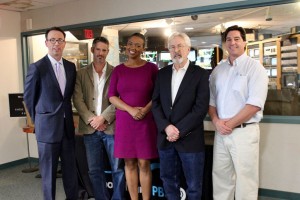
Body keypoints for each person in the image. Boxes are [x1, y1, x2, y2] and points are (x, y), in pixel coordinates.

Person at [208, 25, 268, 200]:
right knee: (221, 178)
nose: (232, 43)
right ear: (224, 44)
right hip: (221, 132)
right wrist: (217, 122)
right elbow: (211, 103)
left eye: (236, 39)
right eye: (228, 39)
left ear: (244, 42)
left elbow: (255, 104)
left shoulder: (255, 68)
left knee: (246, 180)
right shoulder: (218, 70)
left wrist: (229, 124)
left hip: (244, 132)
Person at [152, 32, 210, 200]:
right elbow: (155, 104)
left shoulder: (200, 74)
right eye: (172, 47)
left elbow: (200, 109)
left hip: (190, 140)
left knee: (193, 186)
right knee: (168, 181)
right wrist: (167, 127)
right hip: (166, 138)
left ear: (188, 49)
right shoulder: (161, 74)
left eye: (179, 46)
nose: (176, 50)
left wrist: (177, 130)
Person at [23, 27, 78, 200]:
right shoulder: (37, 67)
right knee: (48, 174)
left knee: (70, 171)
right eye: (52, 40)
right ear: (46, 43)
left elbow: (67, 97)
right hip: (47, 130)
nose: (56, 43)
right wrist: (40, 120)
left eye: (60, 40)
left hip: (67, 128)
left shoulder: (70, 67)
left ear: (64, 43)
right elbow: (29, 98)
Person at [73, 36, 125, 200]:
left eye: (104, 50)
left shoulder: (117, 71)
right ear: (92, 50)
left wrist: (103, 118)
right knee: (94, 170)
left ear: (108, 52)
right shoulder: (80, 74)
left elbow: (120, 98)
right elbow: (77, 100)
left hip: (111, 127)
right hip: (90, 129)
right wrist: (92, 120)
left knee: (118, 168)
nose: (100, 53)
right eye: (98, 49)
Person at [108, 33, 158, 200]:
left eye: (138, 45)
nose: (133, 48)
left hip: (145, 121)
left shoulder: (151, 68)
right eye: (130, 44)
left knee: (144, 163)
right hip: (125, 122)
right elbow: (112, 96)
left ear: (143, 48)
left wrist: (144, 109)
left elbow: (158, 94)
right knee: (129, 163)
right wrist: (130, 110)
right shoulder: (118, 70)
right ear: (125, 46)